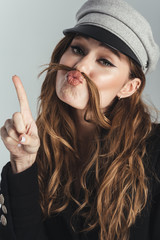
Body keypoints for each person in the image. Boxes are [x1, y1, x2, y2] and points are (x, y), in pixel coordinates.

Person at [0, 0, 160, 239]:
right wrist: (23, 163)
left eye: (104, 61)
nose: (81, 66)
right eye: (78, 49)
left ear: (128, 87)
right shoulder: (36, 150)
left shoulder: (155, 153)